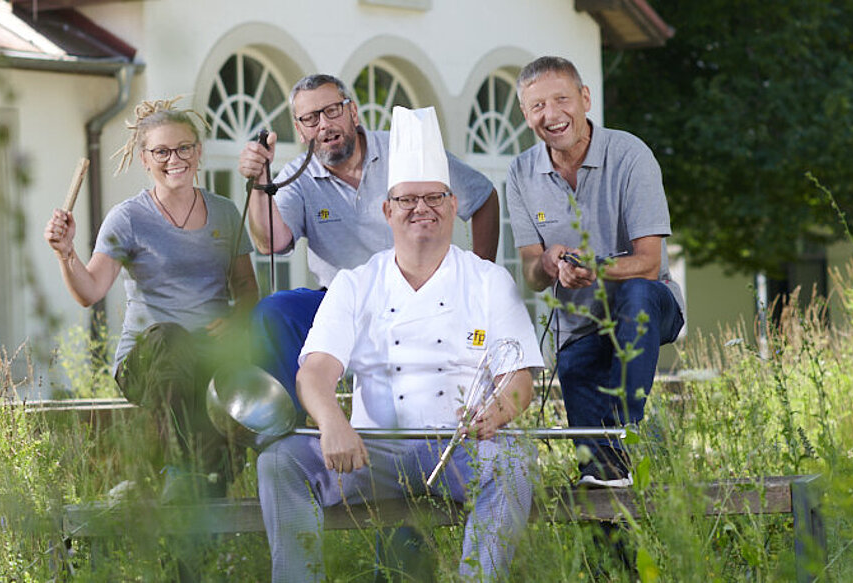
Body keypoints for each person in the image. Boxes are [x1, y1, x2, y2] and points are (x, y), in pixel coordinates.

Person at [257, 106, 543, 582]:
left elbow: (519, 377)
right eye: (407, 200)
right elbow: (315, 371)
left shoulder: (489, 280)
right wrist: (331, 422)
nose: (421, 209)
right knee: (280, 459)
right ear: (387, 210)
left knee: (514, 459)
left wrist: (498, 410)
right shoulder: (355, 283)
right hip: (372, 450)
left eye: (434, 197)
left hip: (460, 446)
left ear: (454, 205)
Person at [238, 74, 501, 416]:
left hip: (420, 296)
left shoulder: (405, 150)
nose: (324, 125)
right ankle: (298, 432)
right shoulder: (297, 177)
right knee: (275, 312)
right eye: (310, 118)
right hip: (342, 304)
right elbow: (272, 243)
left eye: (332, 110)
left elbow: (483, 198)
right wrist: (261, 180)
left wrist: (480, 276)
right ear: (299, 129)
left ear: (354, 112)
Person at [44, 97, 259, 497]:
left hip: (208, 357)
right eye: (161, 151)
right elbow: (90, 291)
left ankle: (192, 487)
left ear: (198, 152)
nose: (173, 158)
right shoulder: (128, 218)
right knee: (171, 340)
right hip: (148, 361)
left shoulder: (227, 213)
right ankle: (181, 473)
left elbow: (246, 288)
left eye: (183, 148)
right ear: (145, 158)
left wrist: (237, 319)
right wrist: (66, 253)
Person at [505, 56, 684, 488]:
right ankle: (611, 544)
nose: (551, 115)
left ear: (585, 98)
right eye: (536, 106)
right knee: (600, 479)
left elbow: (649, 261)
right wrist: (550, 263)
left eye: (561, 99)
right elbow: (531, 272)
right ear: (526, 115)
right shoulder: (520, 172)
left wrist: (594, 268)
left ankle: (626, 428)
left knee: (635, 294)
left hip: (648, 307)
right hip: (579, 326)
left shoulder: (630, 154)